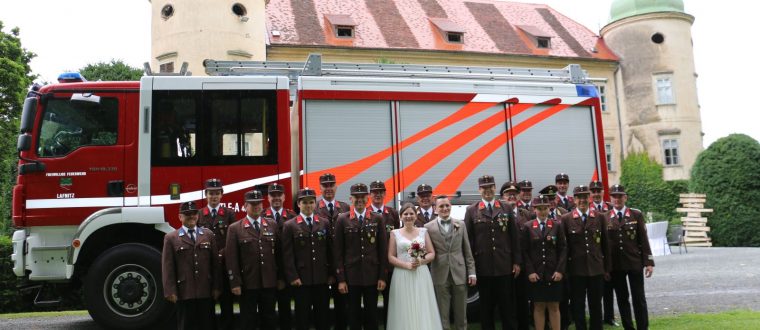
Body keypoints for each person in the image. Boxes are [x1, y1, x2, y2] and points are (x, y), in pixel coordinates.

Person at [465, 175, 521, 330]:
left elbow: (514, 237)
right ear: (479, 190)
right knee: (486, 310)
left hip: (504, 266)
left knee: (507, 308)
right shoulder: (471, 210)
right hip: (483, 267)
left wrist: (516, 262)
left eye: (490, 187)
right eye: (484, 187)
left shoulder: (506, 208)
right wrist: (471, 268)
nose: (487, 190)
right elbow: (468, 241)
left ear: (495, 188)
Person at [333, 183, 388, 330]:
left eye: (362, 197)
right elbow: (338, 252)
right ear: (350, 199)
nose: (359, 200)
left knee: (372, 314)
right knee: (353, 315)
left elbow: (382, 250)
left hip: (372, 275)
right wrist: (341, 279)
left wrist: (382, 276)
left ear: (367, 198)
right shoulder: (342, 219)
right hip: (351, 277)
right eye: (356, 197)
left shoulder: (378, 219)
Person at [162, 201, 221, 330]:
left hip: (205, 290)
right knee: (186, 325)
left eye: (194, 213)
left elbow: (215, 265)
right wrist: (170, 290)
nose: (191, 216)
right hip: (184, 291)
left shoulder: (208, 235)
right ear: (180, 217)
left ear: (198, 215)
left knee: (207, 325)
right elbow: (168, 266)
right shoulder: (171, 238)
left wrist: (217, 287)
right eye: (187, 214)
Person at [225, 190, 280, 329]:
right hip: (247, 283)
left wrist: (280, 278)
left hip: (268, 282)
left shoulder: (272, 224)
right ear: (245, 206)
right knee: (247, 320)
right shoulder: (235, 228)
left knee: (269, 319)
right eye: (253, 204)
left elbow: (278, 255)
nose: (256, 206)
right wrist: (235, 283)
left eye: (259, 203)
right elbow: (232, 259)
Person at [384, 202, 443, 330]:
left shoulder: (423, 231)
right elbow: (391, 257)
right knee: (403, 306)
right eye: (405, 214)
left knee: (421, 304)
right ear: (400, 217)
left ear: (416, 216)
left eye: (411, 213)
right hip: (401, 274)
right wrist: (406, 265)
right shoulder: (394, 233)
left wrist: (420, 261)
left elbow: (431, 253)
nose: (409, 216)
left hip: (421, 273)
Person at [281, 188, 332, 330]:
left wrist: (331, 273)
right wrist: (293, 276)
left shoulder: (324, 223)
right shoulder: (290, 225)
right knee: (302, 317)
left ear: (315, 203)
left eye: (311, 202)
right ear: (298, 204)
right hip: (301, 280)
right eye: (305, 202)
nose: (308, 205)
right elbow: (287, 254)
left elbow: (329, 251)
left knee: (322, 317)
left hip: (321, 278)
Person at [561, 185, 611, 330]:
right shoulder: (566, 219)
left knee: (596, 304)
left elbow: (605, 245)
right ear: (574, 200)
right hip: (576, 270)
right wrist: (565, 270)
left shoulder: (600, 217)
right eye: (579, 197)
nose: (582, 200)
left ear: (588, 198)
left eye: (584, 197)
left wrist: (607, 268)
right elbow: (565, 248)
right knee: (578, 305)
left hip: (596, 268)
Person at [606, 184, 655, 330]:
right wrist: (606, 267)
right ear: (610, 198)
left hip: (634, 263)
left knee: (639, 298)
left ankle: (643, 327)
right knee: (622, 299)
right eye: (614, 196)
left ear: (625, 197)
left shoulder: (636, 214)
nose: (617, 199)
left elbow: (643, 240)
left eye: (620, 196)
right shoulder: (605, 217)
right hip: (616, 265)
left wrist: (649, 262)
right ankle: (628, 327)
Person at [425, 196, 476, 330]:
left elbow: (467, 250)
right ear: (435, 209)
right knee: (442, 313)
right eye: (441, 206)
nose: (445, 208)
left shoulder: (461, 224)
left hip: (459, 272)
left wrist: (472, 273)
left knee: (461, 312)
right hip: (439, 273)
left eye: (447, 205)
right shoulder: (428, 227)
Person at [522, 194, 567, 330]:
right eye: (539, 208)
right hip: (537, 274)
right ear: (534, 210)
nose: (542, 212)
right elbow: (524, 251)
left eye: (545, 208)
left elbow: (563, 249)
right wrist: (530, 271)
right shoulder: (528, 227)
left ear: (549, 208)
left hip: (553, 273)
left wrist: (559, 270)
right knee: (539, 306)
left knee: (554, 306)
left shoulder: (556, 225)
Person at [196, 179, 236, 330]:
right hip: (206, 267)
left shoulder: (229, 214)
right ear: (206, 195)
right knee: (207, 305)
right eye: (211, 193)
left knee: (227, 303)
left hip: (225, 266)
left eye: (217, 193)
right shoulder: (199, 214)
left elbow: (232, 239)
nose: (214, 196)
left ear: (222, 195)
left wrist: (221, 254)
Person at [314, 173, 350, 330]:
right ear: (320, 187)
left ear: (336, 186)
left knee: (342, 304)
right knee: (320, 306)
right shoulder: (313, 207)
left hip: (341, 264)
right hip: (321, 264)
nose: (328, 188)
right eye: (325, 185)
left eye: (331, 185)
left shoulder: (345, 207)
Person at [264, 182, 297, 330]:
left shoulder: (292, 217)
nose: (276, 198)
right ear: (268, 198)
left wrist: (284, 277)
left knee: (285, 312)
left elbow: (292, 251)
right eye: (273, 195)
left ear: (284, 197)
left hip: (286, 274)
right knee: (267, 312)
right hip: (267, 275)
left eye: (279, 195)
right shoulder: (262, 216)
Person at [369, 180, 400, 326]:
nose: (378, 195)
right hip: (372, 266)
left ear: (385, 194)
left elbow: (399, 237)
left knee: (390, 302)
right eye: (375, 192)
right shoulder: (366, 213)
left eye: (380, 192)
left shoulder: (393, 213)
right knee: (371, 303)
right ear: (370, 195)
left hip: (390, 266)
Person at [502, 180, 531, 330]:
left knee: (522, 299)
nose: (511, 196)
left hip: (524, 264)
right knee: (508, 301)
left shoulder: (526, 214)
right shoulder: (498, 213)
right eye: (508, 194)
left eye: (514, 194)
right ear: (503, 196)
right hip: (506, 264)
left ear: (519, 196)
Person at [589, 180, 618, 327]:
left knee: (608, 289)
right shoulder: (586, 210)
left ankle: (609, 316)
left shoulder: (611, 208)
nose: (595, 194)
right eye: (593, 191)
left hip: (609, 253)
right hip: (593, 256)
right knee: (595, 292)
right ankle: (596, 318)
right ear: (590, 193)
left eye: (598, 191)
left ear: (602, 192)